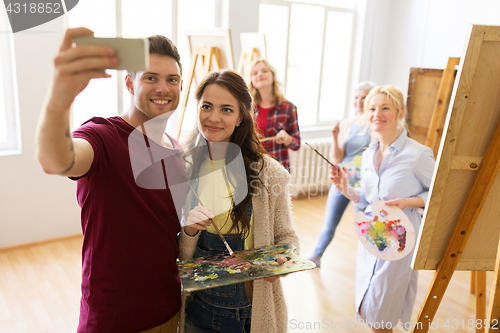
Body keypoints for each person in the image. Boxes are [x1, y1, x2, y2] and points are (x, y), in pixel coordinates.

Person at [36, 27, 186, 333]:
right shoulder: (104, 137)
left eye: (172, 79)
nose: (163, 88)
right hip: (113, 320)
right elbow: (57, 160)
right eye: (150, 77)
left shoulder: (176, 148)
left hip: (170, 310)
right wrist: (58, 100)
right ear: (130, 83)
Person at [177, 70, 299, 333]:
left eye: (227, 110)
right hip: (198, 309)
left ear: (241, 116)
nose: (214, 117)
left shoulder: (270, 173)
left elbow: (288, 238)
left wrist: (281, 261)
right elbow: (175, 251)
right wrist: (188, 229)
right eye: (206, 107)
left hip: (252, 310)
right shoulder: (184, 168)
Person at [329, 85, 435, 332]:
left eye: (385, 107)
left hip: (401, 238)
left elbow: (440, 195)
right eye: (372, 108)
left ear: (400, 113)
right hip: (372, 234)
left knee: (383, 309)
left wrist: (408, 202)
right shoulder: (368, 154)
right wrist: (345, 187)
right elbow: (366, 201)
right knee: (369, 303)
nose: (377, 113)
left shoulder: (418, 154)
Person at [308, 81, 375, 267]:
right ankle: (316, 256)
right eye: (356, 97)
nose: (359, 101)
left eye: (364, 97)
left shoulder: (375, 125)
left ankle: (373, 259)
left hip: (363, 184)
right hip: (343, 179)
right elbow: (337, 157)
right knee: (330, 221)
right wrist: (335, 136)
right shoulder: (347, 124)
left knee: (366, 223)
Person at [248, 59, 300, 171]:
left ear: (273, 75)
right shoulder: (247, 109)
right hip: (254, 168)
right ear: (252, 80)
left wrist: (287, 138)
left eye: (264, 71)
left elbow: (297, 144)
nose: (260, 74)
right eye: (255, 73)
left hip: (279, 169)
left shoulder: (289, 108)